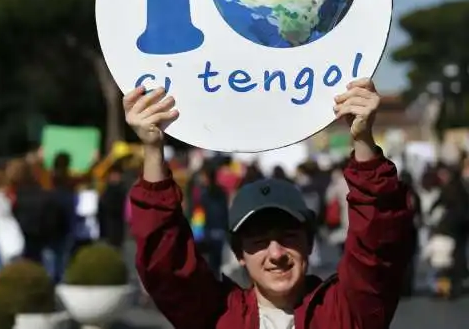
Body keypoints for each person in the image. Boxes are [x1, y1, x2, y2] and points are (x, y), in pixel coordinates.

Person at [125, 78, 414, 329]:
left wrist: (362, 139)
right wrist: (152, 150)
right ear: (239, 254)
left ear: (310, 242)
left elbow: (379, 244)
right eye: (259, 241)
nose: (276, 253)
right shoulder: (216, 317)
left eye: (288, 237)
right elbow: (164, 262)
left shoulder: (348, 312)